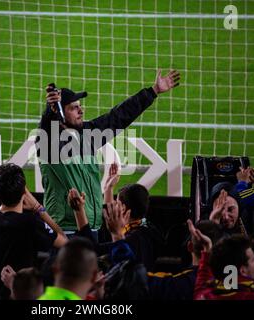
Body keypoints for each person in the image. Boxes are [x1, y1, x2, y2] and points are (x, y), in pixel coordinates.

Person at [37, 70, 180, 233]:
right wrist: (50, 112)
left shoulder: (87, 133)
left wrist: (153, 91)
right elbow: (47, 129)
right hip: (65, 231)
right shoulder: (51, 144)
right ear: (61, 113)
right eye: (74, 108)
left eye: (80, 106)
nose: (81, 111)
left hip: (91, 228)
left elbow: (118, 117)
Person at [0, 163, 67, 296]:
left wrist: (3, 204)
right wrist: (37, 207)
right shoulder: (31, 223)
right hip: (24, 294)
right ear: (25, 191)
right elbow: (64, 240)